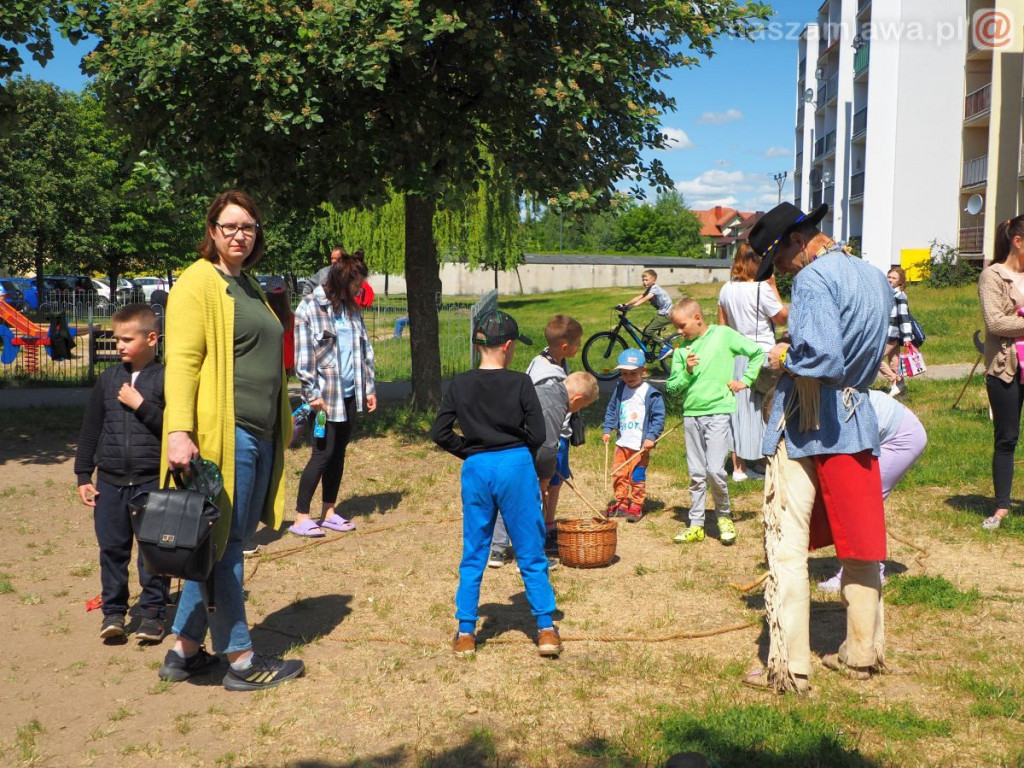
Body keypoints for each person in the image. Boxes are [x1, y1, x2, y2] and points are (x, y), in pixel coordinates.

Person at [742, 202, 892, 693]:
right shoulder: (872, 275)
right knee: (861, 543)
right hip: (856, 417)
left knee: (786, 546)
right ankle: (861, 651)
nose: (779, 273)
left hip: (809, 418)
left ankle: (790, 665)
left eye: (777, 261)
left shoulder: (811, 279)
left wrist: (785, 353)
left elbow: (823, 357)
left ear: (794, 240)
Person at [159, 189, 304, 691]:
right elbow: (181, 361)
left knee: (220, 544)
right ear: (212, 232)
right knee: (226, 549)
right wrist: (179, 431)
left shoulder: (249, 287)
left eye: (248, 227)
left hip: (261, 433)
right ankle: (241, 659)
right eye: (230, 226)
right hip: (227, 435)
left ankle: (184, 650)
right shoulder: (197, 282)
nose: (239, 234)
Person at [430, 309, 563, 658]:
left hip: (477, 469)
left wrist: (470, 451)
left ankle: (465, 631)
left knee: (475, 550)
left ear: (478, 347)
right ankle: (546, 629)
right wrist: (516, 452)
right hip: (516, 465)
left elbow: (439, 433)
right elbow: (538, 434)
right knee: (531, 549)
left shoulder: (459, 384)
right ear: (507, 346)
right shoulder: (521, 383)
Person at [74, 303, 169, 643]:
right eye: (117, 340)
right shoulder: (108, 379)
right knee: (112, 550)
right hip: (110, 483)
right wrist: (84, 474)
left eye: (127, 339)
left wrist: (140, 404)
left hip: (151, 482)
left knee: (153, 553)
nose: (120, 346)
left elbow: (174, 429)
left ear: (152, 338)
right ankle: (113, 613)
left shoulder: (165, 378)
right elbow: (91, 429)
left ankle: (153, 614)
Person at [289, 251, 378, 538]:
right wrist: (312, 394)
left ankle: (329, 511)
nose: (359, 290)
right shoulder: (309, 308)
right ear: (342, 281)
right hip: (324, 398)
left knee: (338, 453)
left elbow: (364, 350)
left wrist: (369, 388)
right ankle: (302, 516)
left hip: (350, 394)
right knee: (322, 454)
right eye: (356, 285)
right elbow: (303, 358)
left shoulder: (351, 309)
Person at [489, 315, 586, 567]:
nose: (579, 347)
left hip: (548, 441)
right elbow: (547, 417)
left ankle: (543, 530)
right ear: (565, 346)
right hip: (545, 442)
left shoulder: (551, 360)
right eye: (578, 344)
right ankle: (527, 544)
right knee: (536, 492)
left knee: (545, 489)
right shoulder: (547, 376)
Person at [666, 297, 765, 545]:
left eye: (682, 325)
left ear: (697, 318)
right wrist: (687, 372)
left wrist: (746, 380)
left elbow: (756, 353)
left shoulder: (723, 335)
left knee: (715, 470)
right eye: (676, 327)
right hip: (691, 416)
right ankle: (696, 523)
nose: (679, 332)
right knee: (696, 473)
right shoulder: (681, 351)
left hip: (719, 413)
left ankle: (723, 516)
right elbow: (672, 388)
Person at [818, 389, 928, 590]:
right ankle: (862, 567)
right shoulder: (822, 400)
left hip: (902, 438)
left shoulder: (830, 409)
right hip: (888, 431)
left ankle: (864, 572)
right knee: (854, 501)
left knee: (861, 503)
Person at [490, 371, 600, 568]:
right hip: (519, 457)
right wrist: (544, 479)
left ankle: (498, 550)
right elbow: (548, 447)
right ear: (577, 398)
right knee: (532, 504)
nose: (576, 410)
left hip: (502, 450)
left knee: (505, 499)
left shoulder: (545, 390)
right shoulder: (557, 407)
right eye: (581, 407)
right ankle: (532, 557)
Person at [717, 244, 789, 481]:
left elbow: (723, 326)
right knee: (766, 409)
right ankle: (760, 461)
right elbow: (781, 319)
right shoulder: (761, 288)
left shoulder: (726, 289)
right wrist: (774, 286)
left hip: (737, 354)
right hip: (763, 355)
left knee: (740, 411)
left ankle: (740, 467)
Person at [978, 215, 1024, 531]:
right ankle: (1002, 507)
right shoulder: (992, 276)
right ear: (1017, 241)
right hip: (1005, 369)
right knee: (1006, 438)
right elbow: (995, 323)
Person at [602, 348, 666, 522]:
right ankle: (621, 503)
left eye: (633, 373)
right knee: (618, 473)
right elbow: (612, 409)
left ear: (643, 371)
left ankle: (636, 505)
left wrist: (651, 437)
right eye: (624, 373)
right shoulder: (620, 388)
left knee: (636, 476)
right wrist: (608, 429)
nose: (628, 377)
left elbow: (658, 417)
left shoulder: (650, 393)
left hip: (640, 446)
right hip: (622, 443)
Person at [879, 267, 914, 397]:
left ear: (900, 282)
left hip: (893, 333)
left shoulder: (900, 296)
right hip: (888, 332)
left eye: (894, 278)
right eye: (889, 277)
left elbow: (904, 317)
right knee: (895, 362)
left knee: (876, 359)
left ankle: (894, 381)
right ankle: (901, 392)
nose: (890, 280)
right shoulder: (889, 293)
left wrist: (907, 337)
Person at [620, 268, 674, 340]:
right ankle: (643, 349)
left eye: (646, 280)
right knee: (646, 330)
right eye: (643, 280)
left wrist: (632, 306)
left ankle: (663, 346)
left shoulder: (655, 289)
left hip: (667, 314)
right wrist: (625, 304)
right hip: (662, 313)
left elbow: (645, 299)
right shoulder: (650, 289)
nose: (644, 282)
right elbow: (640, 297)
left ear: (654, 280)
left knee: (648, 331)